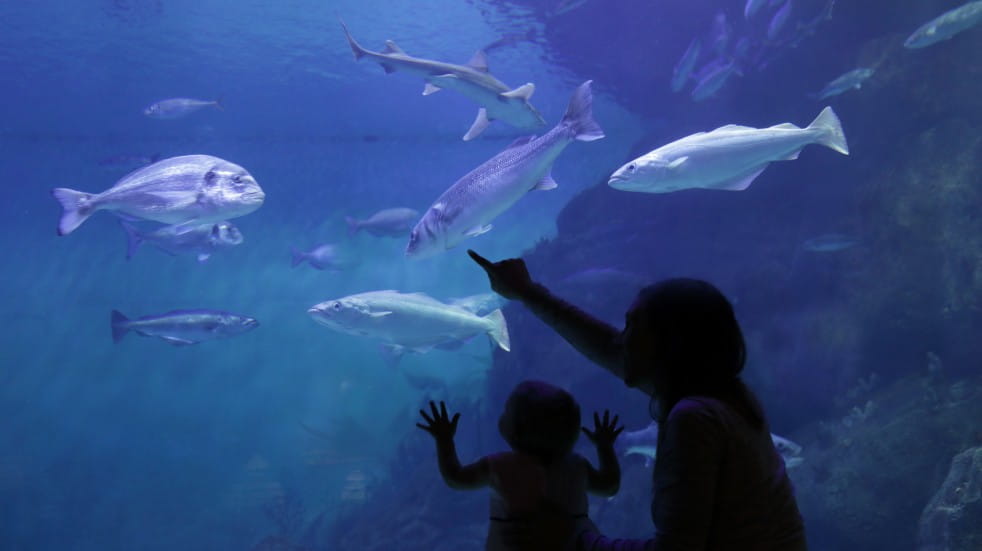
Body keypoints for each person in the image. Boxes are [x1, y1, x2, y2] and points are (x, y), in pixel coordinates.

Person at [467, 249, 807, 551]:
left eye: (633, 326)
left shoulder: (694, 419)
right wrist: (528, 292)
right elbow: (608, 347)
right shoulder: (726, 397)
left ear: (670, 343)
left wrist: (575, 537)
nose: (622, 337)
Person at [415, 380, 624, 551]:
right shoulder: (577, 465)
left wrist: (444, 440)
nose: (501, 414)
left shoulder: (499, 466)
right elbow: (609, 486)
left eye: (506, 410)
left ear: (516, 431)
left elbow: (456, 478)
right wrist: (605, 447)